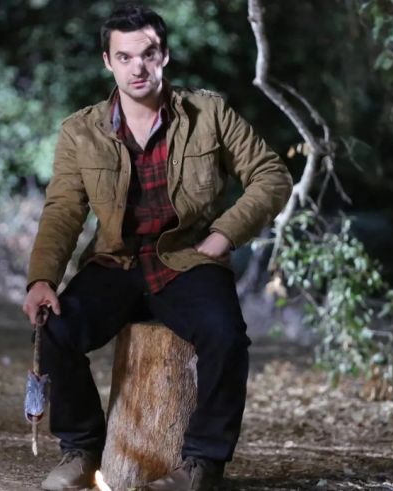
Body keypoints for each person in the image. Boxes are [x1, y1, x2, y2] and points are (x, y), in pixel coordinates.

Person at [22, 4, 292, 490]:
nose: (137, 68)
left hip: (187, 259)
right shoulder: (81, 132)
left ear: (164, 55)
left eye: (147, 55)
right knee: (57, 329)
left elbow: (271, 176)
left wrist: (224, 234)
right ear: (108, 62)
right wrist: (42, 278)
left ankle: (202, 464)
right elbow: (63, 209)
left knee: (226, 336)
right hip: (117, 261)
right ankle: (82, 450)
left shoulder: (210, 114)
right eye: (124, 58)